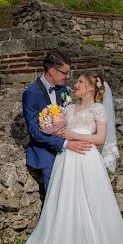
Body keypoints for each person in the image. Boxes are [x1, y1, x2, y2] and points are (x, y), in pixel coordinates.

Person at [21, 72, 123, 244]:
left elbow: (100, 138)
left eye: (80, 82)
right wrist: (52, 126)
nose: (74, 85)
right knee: (72, 208)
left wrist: (71, 135)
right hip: (67, 161)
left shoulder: (98, 109)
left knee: (93, 207)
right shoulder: (68, 109)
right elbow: (59, 131)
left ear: (90, 88)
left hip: (87, 160)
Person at [22, 51, 92, 198]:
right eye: (65, 73)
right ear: (52, 71)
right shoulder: (31, 93)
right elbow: (34, 131)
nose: (67, 77)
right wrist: (65, 144)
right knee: (56, 196)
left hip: (69, 147)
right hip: (46, 151)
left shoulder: (63, 90)